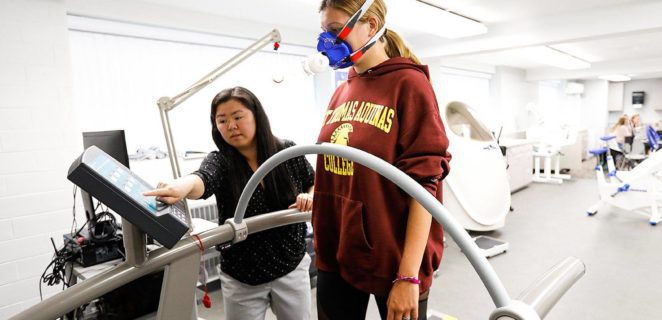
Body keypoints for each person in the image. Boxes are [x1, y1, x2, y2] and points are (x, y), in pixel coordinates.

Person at [312, 1, 451, 320]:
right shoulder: (342, 91)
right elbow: (339, 167)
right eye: (324, 32)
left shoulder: (410, 85)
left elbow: (424, 185)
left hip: (393, 258)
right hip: (338, 251)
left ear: (370, 25)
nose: (326, 42)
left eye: (334, 31)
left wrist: (408, 276)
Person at [144, 87, 315, 320]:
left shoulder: (286, 151)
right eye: (222, 120)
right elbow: (203, 179)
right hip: (242, 277)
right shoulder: (220, 161)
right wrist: (181, 187)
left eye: (237, 117)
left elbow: (312, 181)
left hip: (291, 266)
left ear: (256, 116)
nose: (231, 126)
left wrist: (311, 196)